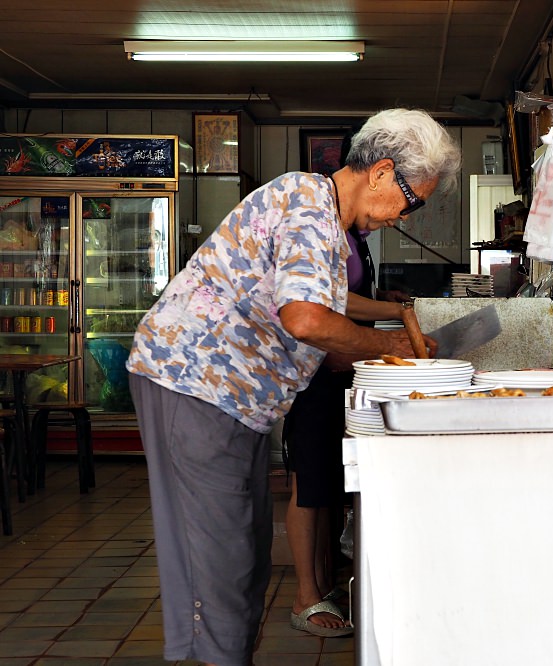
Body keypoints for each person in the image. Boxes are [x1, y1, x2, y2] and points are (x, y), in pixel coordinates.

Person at [126, 107, 461, 666]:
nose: (405, 215)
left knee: (247, 553)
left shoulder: (325, 216)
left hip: (236, 397)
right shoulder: (308, 204)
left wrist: (396, 314)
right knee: (221, 558)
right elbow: (305, 317)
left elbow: (323, 298)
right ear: (380, 172)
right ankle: (215, 655)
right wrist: (395, 348)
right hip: (195, 382)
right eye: (412, 200)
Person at [284, 223, 410, 638]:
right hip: (314, 368)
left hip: (335, 368)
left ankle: (320, 585)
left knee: (328, 486)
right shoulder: (320, 230)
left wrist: (385, 307)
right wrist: (390, 321)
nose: (395, 217)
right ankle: (305, 597)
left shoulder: (355, 236)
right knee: (310, 483)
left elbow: (342, 300)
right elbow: (321, 306)